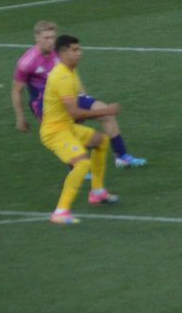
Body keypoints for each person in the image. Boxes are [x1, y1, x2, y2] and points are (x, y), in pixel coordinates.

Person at [12, 20, 146, 168]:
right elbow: (17, 90)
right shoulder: (27, 62)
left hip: (68, 96)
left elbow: (72, 73)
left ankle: (122, 157)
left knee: (105, 113)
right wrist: (20, 118)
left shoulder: (60, 53)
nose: (51, 41)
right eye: (46, 38)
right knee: (66, 132)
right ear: (37, 38)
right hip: (45, 104)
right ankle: (77, 167)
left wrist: (84, 96)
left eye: (53, 37)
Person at [40, 34, 121, 224]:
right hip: (55, 132)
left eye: (79, 49)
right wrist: (107, 110)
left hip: (66, 127)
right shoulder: (61, 77)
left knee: (101, 141)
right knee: (82, 164)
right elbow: (75, 112)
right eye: (74, 50)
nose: (79, 53)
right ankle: (60, 212)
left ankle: (98, 192)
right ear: (63, 53)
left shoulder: (71, 71)